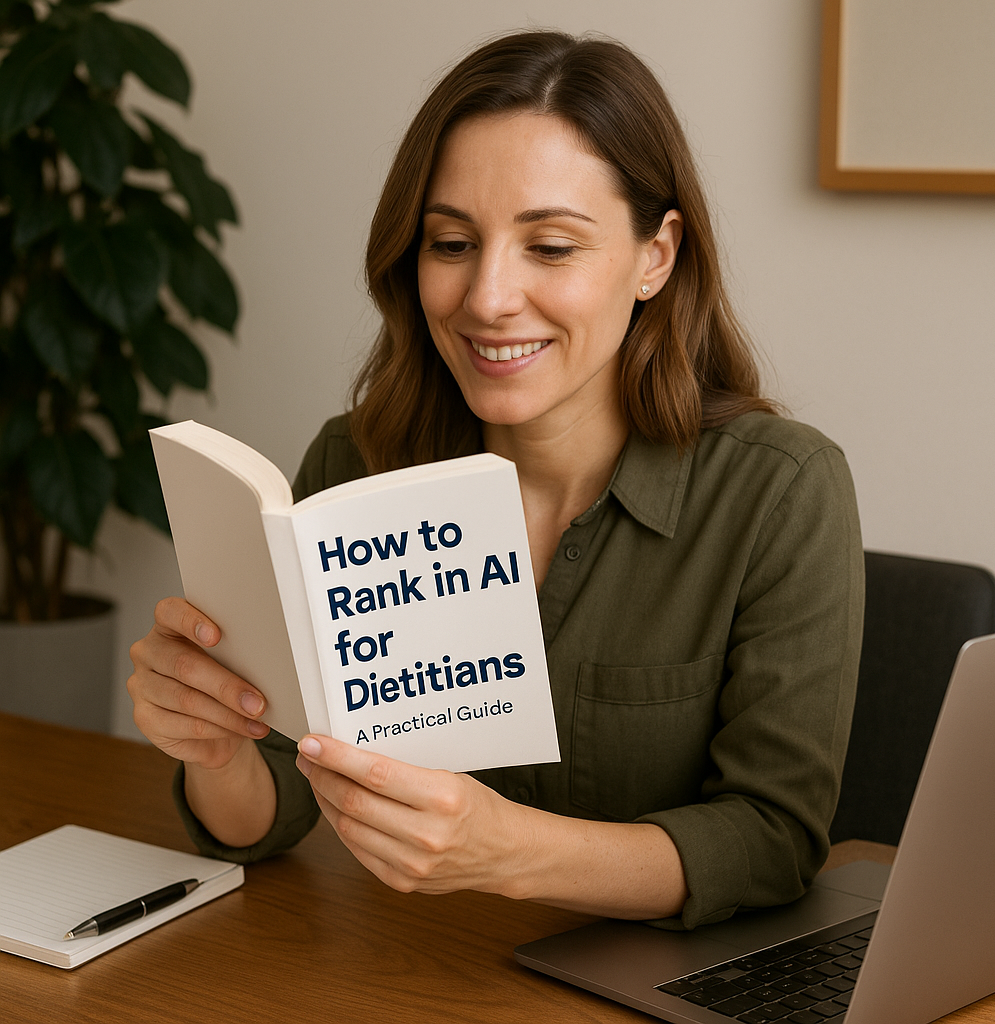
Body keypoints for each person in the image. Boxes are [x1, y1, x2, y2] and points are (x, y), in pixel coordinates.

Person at [127, 30, 863, 930]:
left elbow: (773, 840)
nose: (486, 298)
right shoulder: (352, 466)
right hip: (404, 976)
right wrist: (212, 741)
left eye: (550, 247)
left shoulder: (780, 493)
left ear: (655, 258)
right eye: (451, 242)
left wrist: (509, 851)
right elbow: (269, 811)